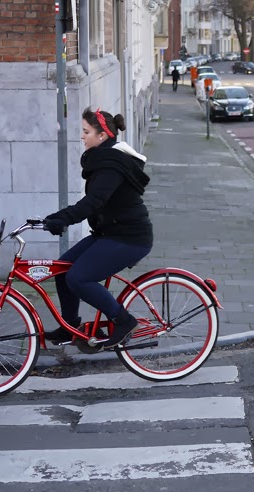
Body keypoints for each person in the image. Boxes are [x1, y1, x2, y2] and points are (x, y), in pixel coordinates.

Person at [43, 108, 153, 349]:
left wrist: (63, 219)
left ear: (102, 136)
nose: (82, 137)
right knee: (62, 270)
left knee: (79, 278)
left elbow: (94, 203)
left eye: (86, 132)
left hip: (130, 238)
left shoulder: (112, 165)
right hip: (110, 232)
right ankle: (70, 327)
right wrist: (56, 217)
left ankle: (123, 321)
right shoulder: (102, 159)